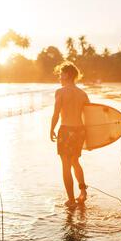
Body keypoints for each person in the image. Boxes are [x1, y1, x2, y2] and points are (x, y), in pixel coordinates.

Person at [50, 62, 90, 208]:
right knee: (75, 162)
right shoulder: (83, 94)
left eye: (61, 74)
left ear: (66, 75)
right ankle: (83, 191)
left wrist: (51, 129)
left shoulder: (60, 92)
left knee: (66, 166)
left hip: (66, 130)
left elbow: (56, 114)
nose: (59, 77)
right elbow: (90, 116)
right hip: (80, 131)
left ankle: (71, 200)